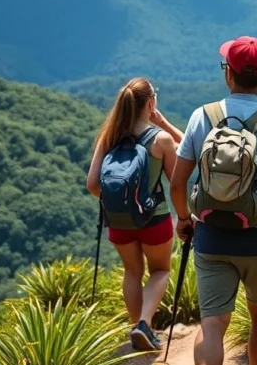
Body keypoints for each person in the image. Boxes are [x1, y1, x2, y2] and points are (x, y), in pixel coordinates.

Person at [170, 36, 257, 365]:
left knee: (212, 322)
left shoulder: (200, 117)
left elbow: (178, 182)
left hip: (211, 234)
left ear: (228, 73)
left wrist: (183, 219)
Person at [85, 77, 185, 351]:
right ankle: (144, 324)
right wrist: (185, 217)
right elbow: (178, 179)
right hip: (155, 219)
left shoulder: (109, 137)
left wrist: (123, 203)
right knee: (161, 270)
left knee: (132, 271)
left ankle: (137, 329)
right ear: (151, 102)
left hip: (118, 221)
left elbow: (93, 185)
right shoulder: (161, 140)